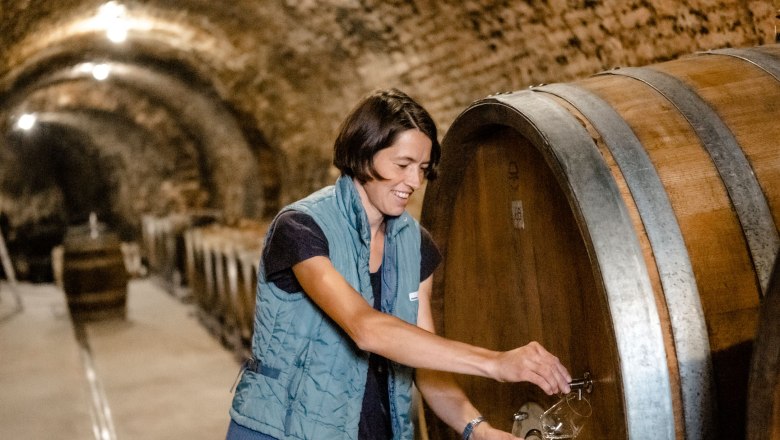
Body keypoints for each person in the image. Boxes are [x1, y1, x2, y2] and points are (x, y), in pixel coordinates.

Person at [227, 88, 571, 440]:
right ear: (364, 155)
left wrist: (478, 430)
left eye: (422, 169)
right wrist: (495, 363)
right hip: (282, 430)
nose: (414, 182)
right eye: (403, 165)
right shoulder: (303, 227)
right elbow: (366, 328)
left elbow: (424, 362)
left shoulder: (416, 244)